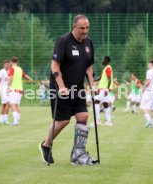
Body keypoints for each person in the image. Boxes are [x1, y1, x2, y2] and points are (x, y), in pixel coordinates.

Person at [39, 14, 97, 165]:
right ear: (74, 27)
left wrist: (92, 86)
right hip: (61, 87)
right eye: (82, 28)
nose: (85, 31)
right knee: (63, 121)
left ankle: (78, 154)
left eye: (87, 28)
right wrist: (62, 86)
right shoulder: (63, 41)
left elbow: (89, 68)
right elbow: (55, 66)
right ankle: (46, 145)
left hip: (78, 88)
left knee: (83, 116)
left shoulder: (88, 43)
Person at [8, 57, 33, 126]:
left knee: (12, 104)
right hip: (20, 90)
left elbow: (11, 78)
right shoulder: (19, 69)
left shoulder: (11, 68)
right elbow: (25, 76)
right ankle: (17, 120)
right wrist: (31, 79)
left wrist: (8, 86)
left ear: (11, 62)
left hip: (13, 89)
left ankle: (16, 121)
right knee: (17, 104)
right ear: (17, 62)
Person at [92, 56, 114, 127]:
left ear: (106, 60)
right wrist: (92, 80)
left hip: (104, 89)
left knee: (96, 102)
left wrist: (107, 89)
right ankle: (109, 122)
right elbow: (100, 77)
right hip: (104, 89)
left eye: (103, 59)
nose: (102, 60)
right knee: (105, 105)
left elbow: (109, 79)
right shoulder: (106, 68)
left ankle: (97, 121)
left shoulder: (108, 68)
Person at [0, 60, 10, 124]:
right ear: (4, 65)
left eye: (8, 64)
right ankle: (5, 119)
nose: (7, 65)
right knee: (7, 103)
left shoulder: (10, 71)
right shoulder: (1, 72)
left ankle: (1, 118)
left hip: (9, 89)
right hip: (3, 89)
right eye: (6, 64)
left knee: (5, 104)